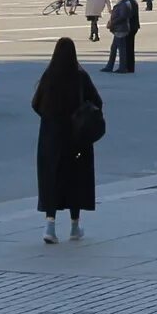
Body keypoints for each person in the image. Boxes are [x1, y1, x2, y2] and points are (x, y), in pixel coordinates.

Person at [33, 36, 104, 244]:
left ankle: (50, 225)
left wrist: (51, 119)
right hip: (76, 138)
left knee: (52, 178)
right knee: (76, 179)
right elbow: (97, 101)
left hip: (52, 137)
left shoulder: (49, 75)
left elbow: (36, 103)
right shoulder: (80, 76)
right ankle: (74, 226)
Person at [104, 0, 140, 73]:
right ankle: (122, 66)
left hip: (125, 28)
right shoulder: (129, 1)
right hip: (125, 27)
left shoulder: (128, 2)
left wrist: (113, 22)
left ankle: (125, 67)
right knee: (119, 48)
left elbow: (124, 16)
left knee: (125, 48)